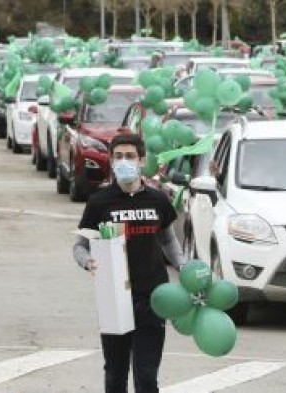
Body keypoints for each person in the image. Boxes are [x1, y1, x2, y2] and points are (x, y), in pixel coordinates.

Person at [73, 134, 185, 393]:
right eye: (119, 156)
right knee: (115, 375)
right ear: (111, 161)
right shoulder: (99, 202)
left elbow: (169, 241)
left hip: (154, 298)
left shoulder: (158, 200)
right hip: (114, 299)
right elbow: (80, 245)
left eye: (130, 156)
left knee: (146, 377)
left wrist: (183, 266)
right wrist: (86, 261)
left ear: (141, 161)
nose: (124, 161)